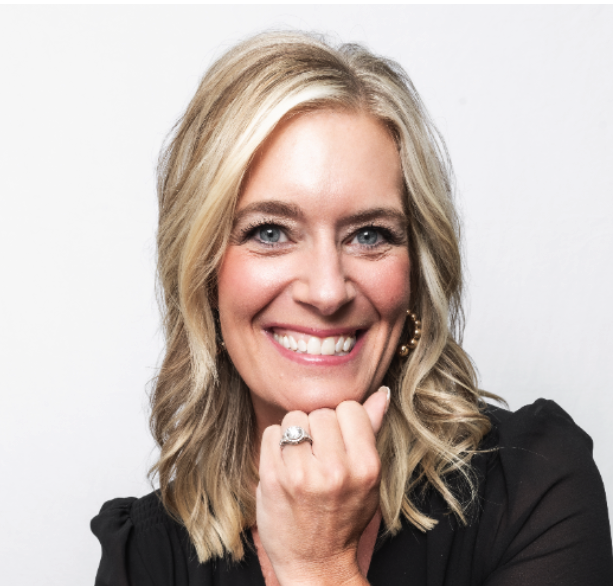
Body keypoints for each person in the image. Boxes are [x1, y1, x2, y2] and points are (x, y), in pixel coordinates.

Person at [91, 31, 612, 586]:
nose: (327, 291)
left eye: (368, 235)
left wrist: (318, 566)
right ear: (203, 275)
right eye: (270, 232)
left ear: (417, 274)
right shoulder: (145, 557)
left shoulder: (534, 486)